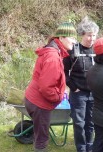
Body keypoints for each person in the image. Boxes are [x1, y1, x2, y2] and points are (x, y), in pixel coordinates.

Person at [24, 22, 77, 152]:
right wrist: (58, 97)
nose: (75, 42)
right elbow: (46, 87)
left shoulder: (54, 52)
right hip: (39, 103)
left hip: (35, 99)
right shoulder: (53, 56)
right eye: (72, 38)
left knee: (40, 134)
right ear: (61, 37)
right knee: (42, 140)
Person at [63, 17, 99, 152]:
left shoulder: (98, 50)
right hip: (78, 94)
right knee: (79, 123)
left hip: (94, 94)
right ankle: (81, 149)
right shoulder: (73, 50)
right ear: (82, 34)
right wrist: (73, 87)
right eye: (89, 35)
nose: (92, 39)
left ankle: (90, 147)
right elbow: (63, 71)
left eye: (94, 36)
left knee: (91, 123)